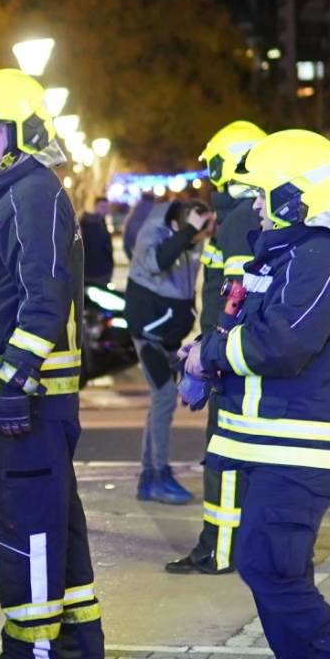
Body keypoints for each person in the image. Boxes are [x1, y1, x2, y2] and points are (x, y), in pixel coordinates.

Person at [182, 128, 330, 659]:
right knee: (268, 563)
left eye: (264, 194)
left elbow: (284, 344)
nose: (257, 205)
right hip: (269, 439)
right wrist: (208, 352)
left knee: (269, 567)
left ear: (297, 196)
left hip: (302, 443)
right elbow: (247, 321)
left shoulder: (322, 255)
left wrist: (210, 352)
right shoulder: (287, 253)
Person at [0, 68, 104, 659]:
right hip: (22, 397)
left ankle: (30, 658)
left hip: (29, 399)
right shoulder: (10, 194)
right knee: (54, 519)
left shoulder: (32, 193)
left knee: (25, 526)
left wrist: (14, 380)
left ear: (25, 130)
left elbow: (45, 296)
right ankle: (76, 645)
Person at [165, 120, 266, 576]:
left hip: (228, 362)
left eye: (216, 167)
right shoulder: (240, 218)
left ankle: (219, 550)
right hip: (225, 354)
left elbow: (237, 299)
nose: (212, 178)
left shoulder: (243, 219)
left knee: (225, 458)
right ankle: (227, 545)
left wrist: (211, 353)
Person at [124, 197, 210, 504]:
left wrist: (194, 234)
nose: (203, 232)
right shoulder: (156, 233)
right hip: (148, 335)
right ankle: (155, 476)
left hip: (166, 336)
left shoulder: (186, 241)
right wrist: (189, 230)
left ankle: (152, 477)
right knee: (163, 401)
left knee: (161, 403)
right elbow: (157, 262)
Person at [80, 197, 115, 288]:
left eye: (106, 207)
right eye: (102, 207)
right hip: (95, 274)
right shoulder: (92, 225)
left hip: (97, 273)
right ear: (95, 207)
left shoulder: (99, 223)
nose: (105, 210)